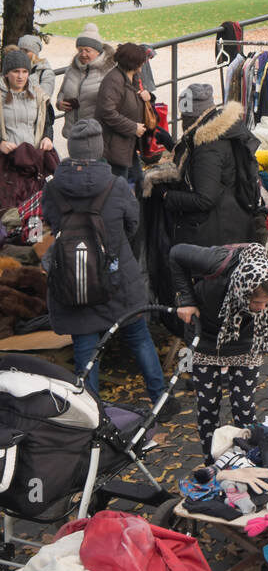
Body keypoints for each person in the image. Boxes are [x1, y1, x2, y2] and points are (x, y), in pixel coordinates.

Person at [41, 119, 172, 414]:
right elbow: (132, 225)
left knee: (86, 351)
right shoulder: (116, 185)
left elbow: (50, 222)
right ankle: (160, 401)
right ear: (100, 148)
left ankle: (92, 415)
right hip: (118, 279)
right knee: (138, 337)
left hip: (73, 279)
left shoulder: (52, 188)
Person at [171, 241, 268, 455]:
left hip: (246, 342)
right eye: (257, 302)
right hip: (206, 337)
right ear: (242, 290)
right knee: (207, 408)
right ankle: (211, 462)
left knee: (244, 408)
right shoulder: (216, 262)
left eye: (267, 302)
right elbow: (176, 252)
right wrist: (186, 299)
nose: (262, 308)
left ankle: (249, 457)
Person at [160, 94, 266, 248]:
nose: (182, 121)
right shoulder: (223, 132)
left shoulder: (207, 147)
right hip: (234, 220)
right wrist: (171, 144)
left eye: (184, 117)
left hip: (217, 234)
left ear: (193, 117)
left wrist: (167, 196)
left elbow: (205, 199)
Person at [95, 42, 153, 189]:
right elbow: (107, 112)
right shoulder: (113, 81)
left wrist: (146, 96)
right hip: (114, 148)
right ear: (133, 63)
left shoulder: (130, 78)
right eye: (141, 61)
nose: (144, 63)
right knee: (120, 187)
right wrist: (133, 127)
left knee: (139, 180)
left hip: (127, 145)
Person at [57, 24, 115, 132]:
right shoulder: (71, 70)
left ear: (98, 51)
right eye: (80, 50)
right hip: (73, 131)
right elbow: (62, 92)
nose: (83, 54)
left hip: (96, 131)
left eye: (88, 51)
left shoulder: (109, 71)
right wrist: (60, 103)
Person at [0, 48, 53, 154]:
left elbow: (47, 123)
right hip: (6, 158)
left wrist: (47, 138)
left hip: (33, 155)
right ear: (6, 73)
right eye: (16, 71)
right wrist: (1, 143)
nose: (20, 76)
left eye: (24, 71)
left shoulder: (39, 96)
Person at [17, 35, 55, 100]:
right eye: (20, 50)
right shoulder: (14, 69)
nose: (22, 53)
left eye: (26, 51)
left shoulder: (45, 72)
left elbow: (44, 98)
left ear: (35, 52)